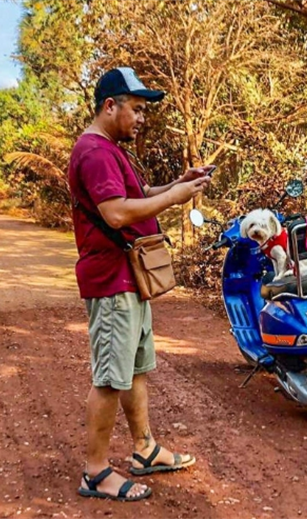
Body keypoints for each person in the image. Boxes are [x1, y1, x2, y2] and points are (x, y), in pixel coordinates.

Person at [67, 67, 213, 502]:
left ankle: (145, 448)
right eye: (136, 109)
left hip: (130, 278)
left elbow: (138, 193)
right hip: (112, 279)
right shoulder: (93, 152)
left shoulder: (110, 149)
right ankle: (95, 472)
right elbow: (115, 213)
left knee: (134, 370)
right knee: (111, 377)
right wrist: (177, 199)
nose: (141, 118)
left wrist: (177, 184)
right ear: (109, 106)